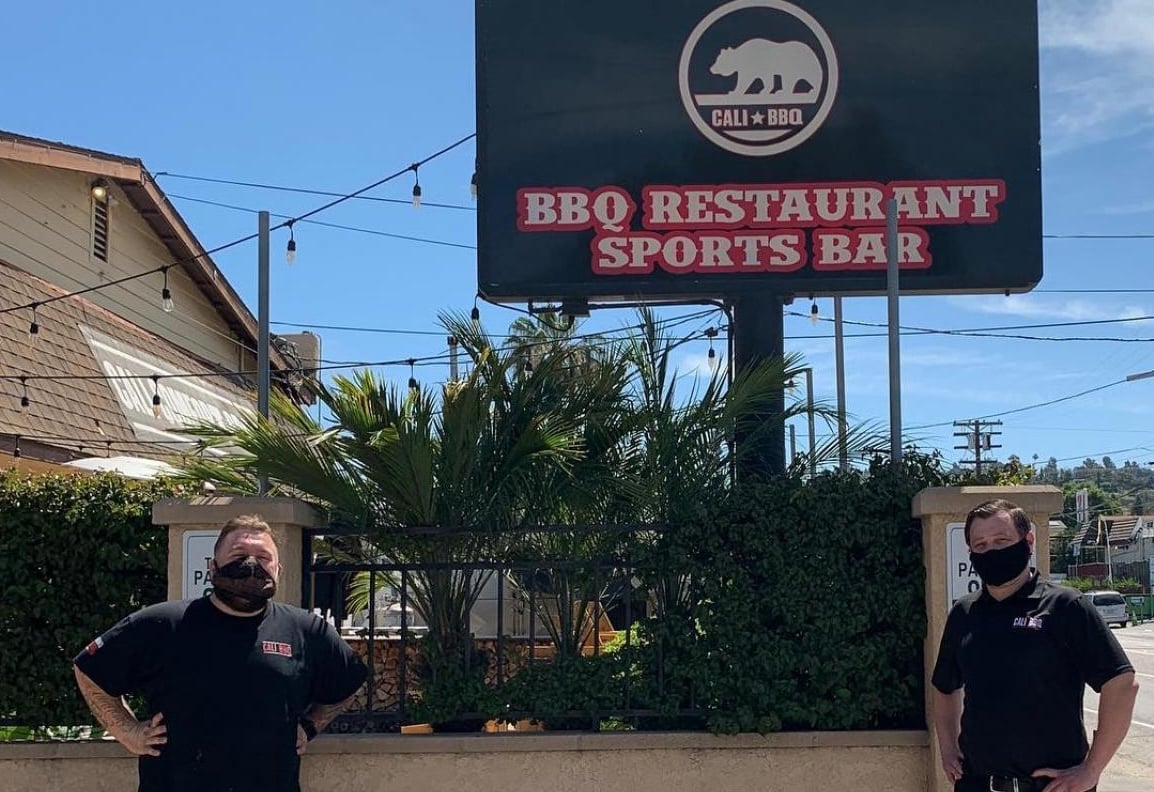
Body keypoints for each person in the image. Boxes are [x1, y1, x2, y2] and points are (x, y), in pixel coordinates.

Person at [73, 514, 367, 792]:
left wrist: (309, 726)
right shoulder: (162, 624)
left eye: (263, 557)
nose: (251, 564)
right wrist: (127, 732)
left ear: (278, 570)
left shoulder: (306, 631)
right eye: (239, 555)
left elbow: (349, 681)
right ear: (212, 567)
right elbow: (89, 670)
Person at [932, 498, 1139, 792]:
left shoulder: (1066, 606)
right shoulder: (965, 613)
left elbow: (1122, 684)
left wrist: (1091, 770)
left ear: (1028, 541)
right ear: (971, 553)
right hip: (977, 784)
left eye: (1002, 541)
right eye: (981, 545)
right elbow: (944, 686)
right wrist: (948, 748)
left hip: (1053, 786)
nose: (991, 551)